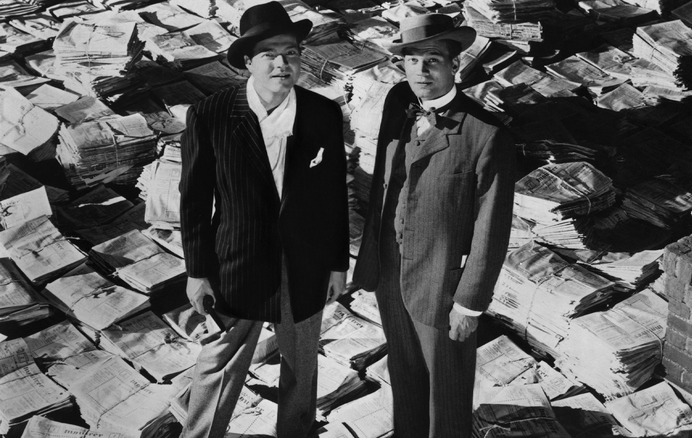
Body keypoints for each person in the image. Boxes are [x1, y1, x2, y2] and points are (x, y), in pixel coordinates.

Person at [179, 3, 349, 437]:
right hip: (237, 261)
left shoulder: (321, 114)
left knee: (301, 363)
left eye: (291, 53)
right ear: (248, 63)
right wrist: (198, 271)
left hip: (305, 262)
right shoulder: (210, 115)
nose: (282, 63)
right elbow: (194, 201)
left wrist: (336, 263)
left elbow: (332, 195)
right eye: (270, 54)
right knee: (219, 363)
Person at [353, 14, 516, 437]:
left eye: (432, 60)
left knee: (445, 388)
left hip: (441, 284)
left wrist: (470, 303)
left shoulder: (485, 133)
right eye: (411, 60)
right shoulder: (396, 103)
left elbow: (492, 226)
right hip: (389, 271)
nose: (421, 72)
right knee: (405, 375)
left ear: (454, 65)